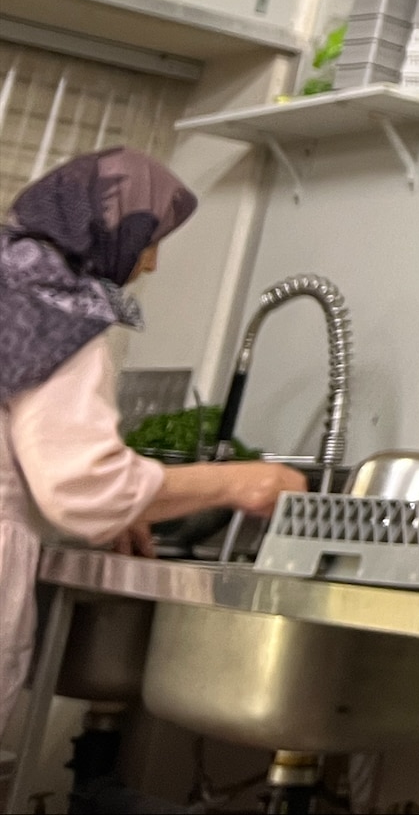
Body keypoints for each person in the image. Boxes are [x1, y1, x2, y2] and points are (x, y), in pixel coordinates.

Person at [1, 150, 307, 738]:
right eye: (149, 238)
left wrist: (130, 506)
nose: (152, 262)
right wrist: (238, 481)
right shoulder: (54, 310)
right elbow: (83, 487)